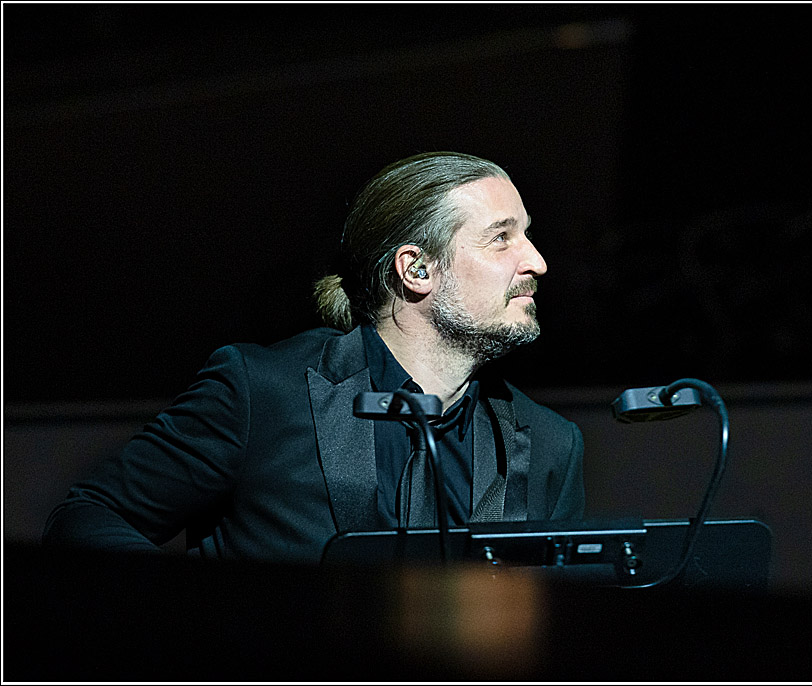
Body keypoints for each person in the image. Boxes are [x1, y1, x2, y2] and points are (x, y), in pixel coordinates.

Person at [42, 151, 585, 562]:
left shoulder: (550, 442)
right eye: (501, 238)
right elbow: (88, 516)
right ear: (417, 269)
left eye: (527, 235)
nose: (536, 261)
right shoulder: (263, 391)